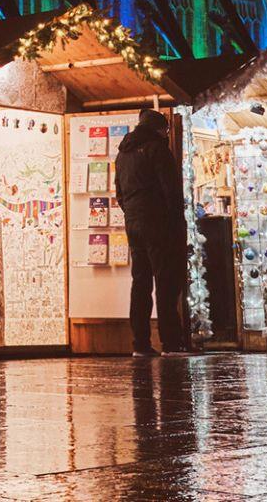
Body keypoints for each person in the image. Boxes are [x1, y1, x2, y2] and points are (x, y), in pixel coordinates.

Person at [115, 108, 190, 357]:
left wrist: (132, 213)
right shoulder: (157, 149)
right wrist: (176, 223)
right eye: (165, 130)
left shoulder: (123, 154)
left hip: (133, 222)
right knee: (166, 281)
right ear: (159, 129)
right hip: (158, 222)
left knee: (141, 282)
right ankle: (171, 342)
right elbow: (171, 190)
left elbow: (120, 193)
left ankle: (140, 343)